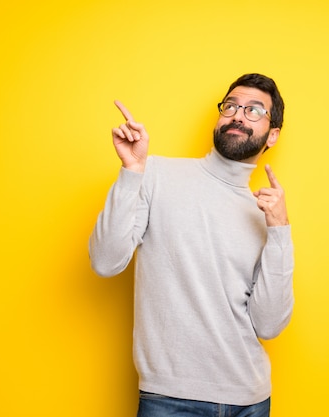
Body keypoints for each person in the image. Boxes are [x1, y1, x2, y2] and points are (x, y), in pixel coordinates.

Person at [89, 73, 294, 417]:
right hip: (169, 398)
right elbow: (105, 261)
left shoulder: (265, 213)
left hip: (251, 399)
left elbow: (269, 324)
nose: (238, 116)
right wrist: (131, 172)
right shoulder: (155, 174)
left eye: (254, 111)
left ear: (272, 135)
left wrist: (280, 231)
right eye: (231, 106)